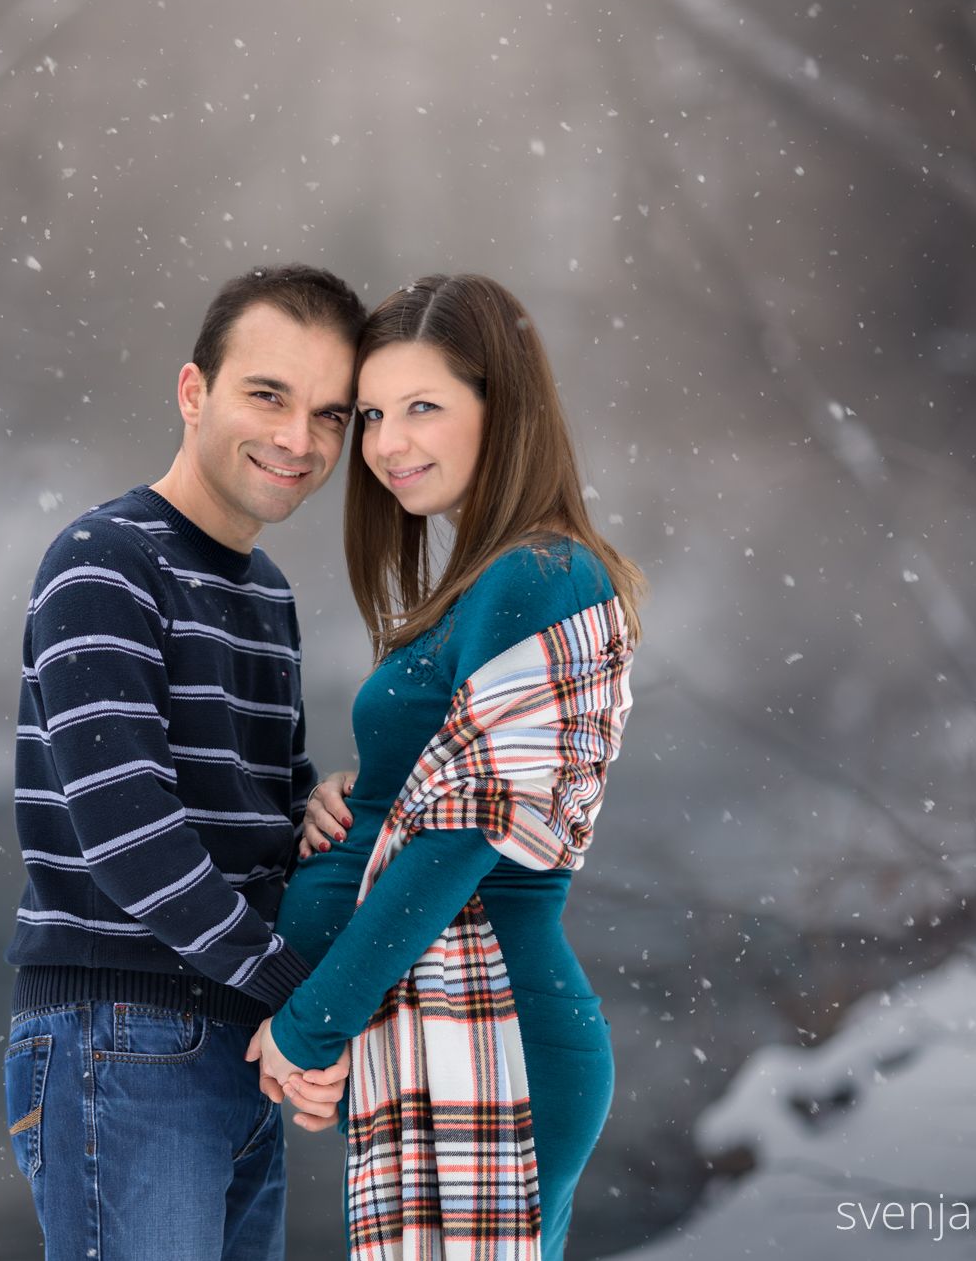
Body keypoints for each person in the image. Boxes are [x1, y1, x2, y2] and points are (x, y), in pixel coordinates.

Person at [250, 274, 645, 1260]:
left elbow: (464, 838)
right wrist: (354, 795)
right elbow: (448, 791)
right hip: (445, 1040)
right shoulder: (483, 580)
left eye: (421, 406)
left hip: (491, 1037)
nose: (387, 443)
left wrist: (311, 1025)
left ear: (499, 409)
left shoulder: (537, 575)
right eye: (374, 414)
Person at [2, 263, 367, 1260]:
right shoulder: (102, 566)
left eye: (327, 413)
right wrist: (297, 994)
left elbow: (251, 806)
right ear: (192, 391)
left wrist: (319, 803)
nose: (298, 439)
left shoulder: (268, 597)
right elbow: (129, 835)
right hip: (123, 1040)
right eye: (266, 395)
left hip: (234, 1036)